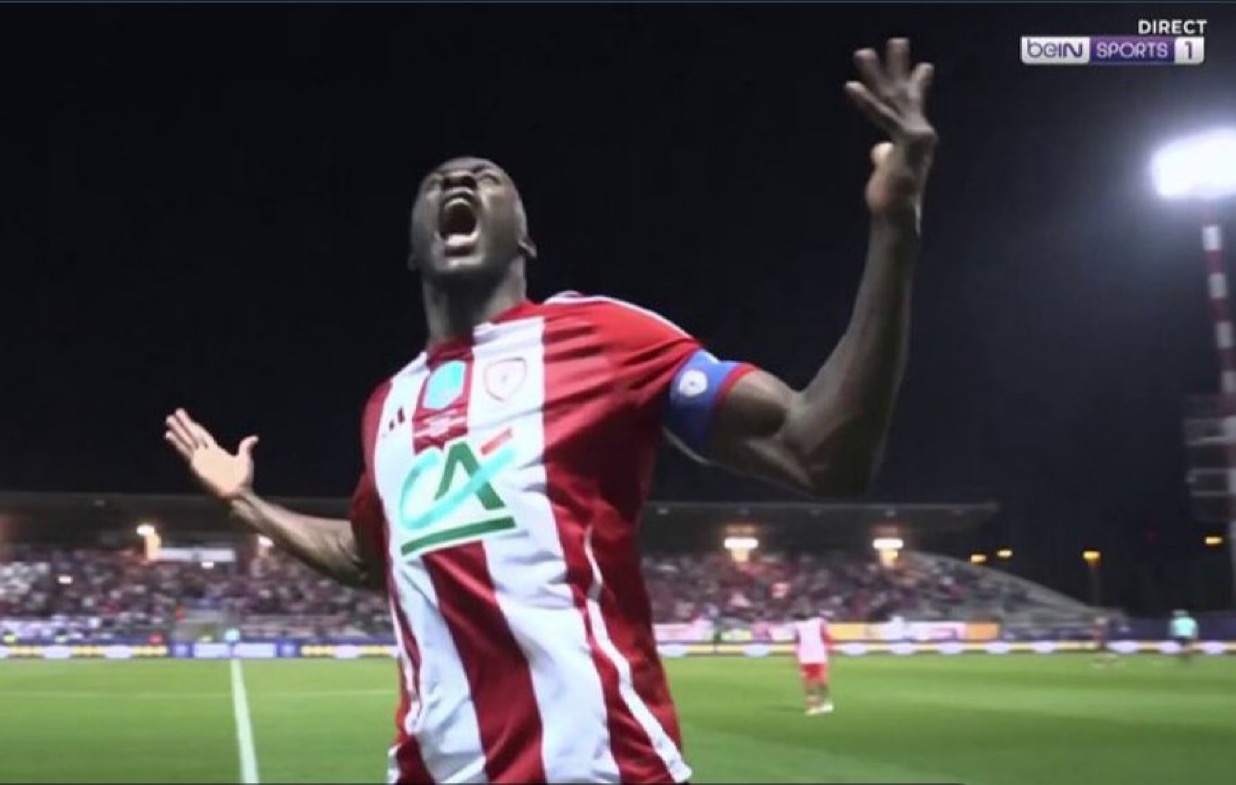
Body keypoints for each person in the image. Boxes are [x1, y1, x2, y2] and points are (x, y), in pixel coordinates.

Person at [164, 38, 937, 785]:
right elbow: (372, 555)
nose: (458, 182)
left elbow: (823, 452)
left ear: (526, 237)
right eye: (437, 180)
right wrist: (246, 503)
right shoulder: (387, 405)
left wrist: (894, 228)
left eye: (485, 178)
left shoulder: (604, 338)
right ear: (411, 246)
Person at [793, 613, 835, 715]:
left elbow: (826, 635)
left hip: (818, 656)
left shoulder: (819, 621)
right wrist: (796, 654)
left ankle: (825, 702)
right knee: (807, 683)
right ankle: (813, 706)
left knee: (821, 680)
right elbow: (797, 640)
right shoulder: (797, 625)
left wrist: (829, 647)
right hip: (805, 657)